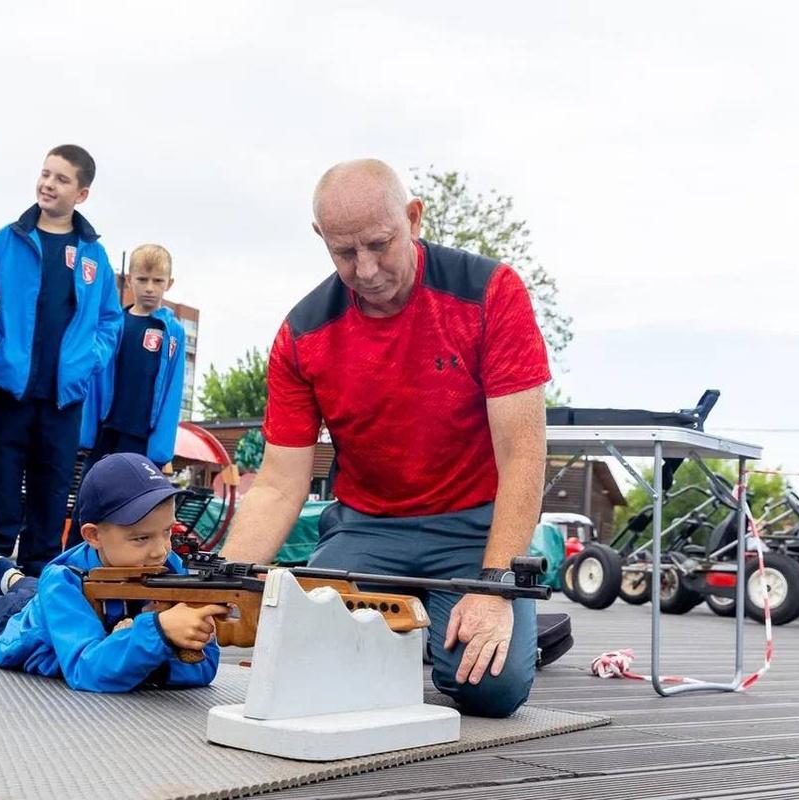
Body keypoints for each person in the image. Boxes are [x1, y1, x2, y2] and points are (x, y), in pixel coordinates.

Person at [217, 160, 550, 718]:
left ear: (413, 219)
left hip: (473, 530)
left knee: (489, 689)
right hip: (366, 529)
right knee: (302, 663)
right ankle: (418, 621)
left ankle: (514, 624)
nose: (366, 270)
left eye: (379, 244)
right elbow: (277, 484)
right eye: (345, 253)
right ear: (322, 238)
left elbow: (522, 455)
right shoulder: (302, 334)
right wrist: (225, 585)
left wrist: (495, 588)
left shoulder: (490, 292)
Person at [0, 453, 224, 693]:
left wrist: (166, 652)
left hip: (50, 603)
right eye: (141, 537)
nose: (160, 550)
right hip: (15, 627)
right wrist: (159, 633)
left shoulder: (168, 568)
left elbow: (204, 668)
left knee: (38, 591)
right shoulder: (65, 580)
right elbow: (85, 668)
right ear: (93, 535)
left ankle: (9, 577)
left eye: (168, 533)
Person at [0, 145, 123, 590]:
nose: (48, 184)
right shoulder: (8, 240)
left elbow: (110, 320)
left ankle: (38, 577)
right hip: (10, 387)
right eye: (45, 174)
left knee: (51, 489)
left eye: (61, 179)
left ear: (82, 194)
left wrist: (89, 362)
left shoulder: (93, 255)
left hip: (64, 395)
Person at [70, 244, 185, 545]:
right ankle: (72, 565)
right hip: (107, 429)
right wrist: (87, 430)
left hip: (142, 436)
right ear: (128, 280)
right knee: (89, 501)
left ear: (169, 283)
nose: (149, 288)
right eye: (142, 279)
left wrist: (161, 447)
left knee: (136, 511)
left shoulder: (172, 331)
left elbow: (173, 389)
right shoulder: (114, 323)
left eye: (158, 281)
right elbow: (95, 380)